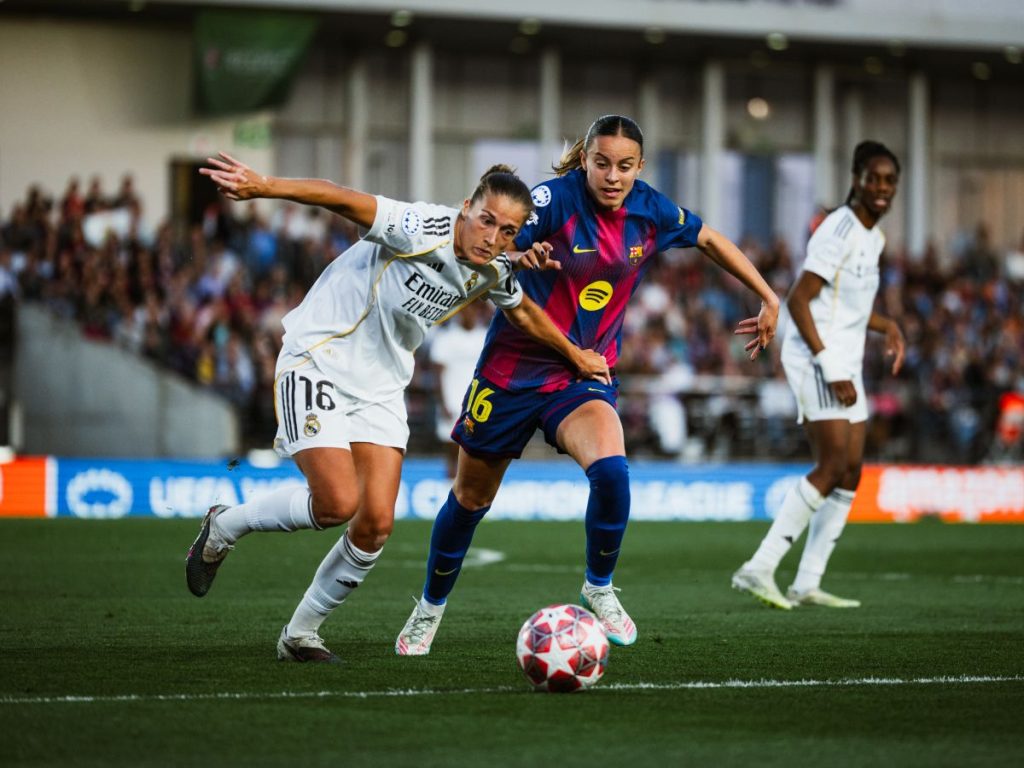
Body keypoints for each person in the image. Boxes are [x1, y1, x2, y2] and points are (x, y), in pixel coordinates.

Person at [185, 153, 610, 663]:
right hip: (318, 358)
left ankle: (299, 636)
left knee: (374, 527)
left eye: (507, 231)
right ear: (465, 208)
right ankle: (225, 525)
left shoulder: (494, 266)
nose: (492, 238)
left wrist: (576, 355)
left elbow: (524, 313)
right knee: (336, 504)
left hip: (382, 386)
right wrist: (265, 186)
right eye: (485, 220)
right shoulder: (420, 225)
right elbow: (339, 196)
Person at [395, 114, 780, 656]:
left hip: (581, 374)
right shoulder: (553, 199)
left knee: (612, 471)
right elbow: (502, 241)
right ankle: (428, 610)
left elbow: (710, 238)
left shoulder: (651, 210)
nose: (613, 176)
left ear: (639, 167)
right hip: (509, 372)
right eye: (601, 163)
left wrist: (768, 295)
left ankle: (599, 586)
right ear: (585, 160)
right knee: (470, 498)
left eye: (625, 166)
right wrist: (518, 250)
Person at [731, 140, 905, 610]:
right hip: (816, 357)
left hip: (844, 359)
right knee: (830, 466)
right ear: (857, 179)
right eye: (875, 178)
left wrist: (886, 325)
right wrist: (829, 365)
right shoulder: (839, 229)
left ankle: (807, 581)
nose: (883, 188)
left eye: (890, 180)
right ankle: (758, 568)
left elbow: (846, 306)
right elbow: (800, 301)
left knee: (851, 472)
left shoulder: (875, 237)